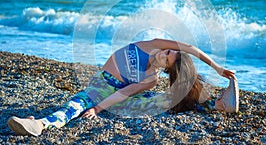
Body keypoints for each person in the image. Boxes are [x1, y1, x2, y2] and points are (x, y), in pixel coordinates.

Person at [7, 38, 239, 137]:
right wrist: (216, 66)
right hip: (99, 85)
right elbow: (189, 47)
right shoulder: (151, 44)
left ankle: (218, 105)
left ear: (167, 66)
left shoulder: (151, 80)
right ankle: (39, 124)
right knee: (75, 104)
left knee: (168, 98)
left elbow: (124, 92)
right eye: (169, 51)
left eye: (168, 58)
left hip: (114, 94)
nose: (165, 53)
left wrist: (98, 109)